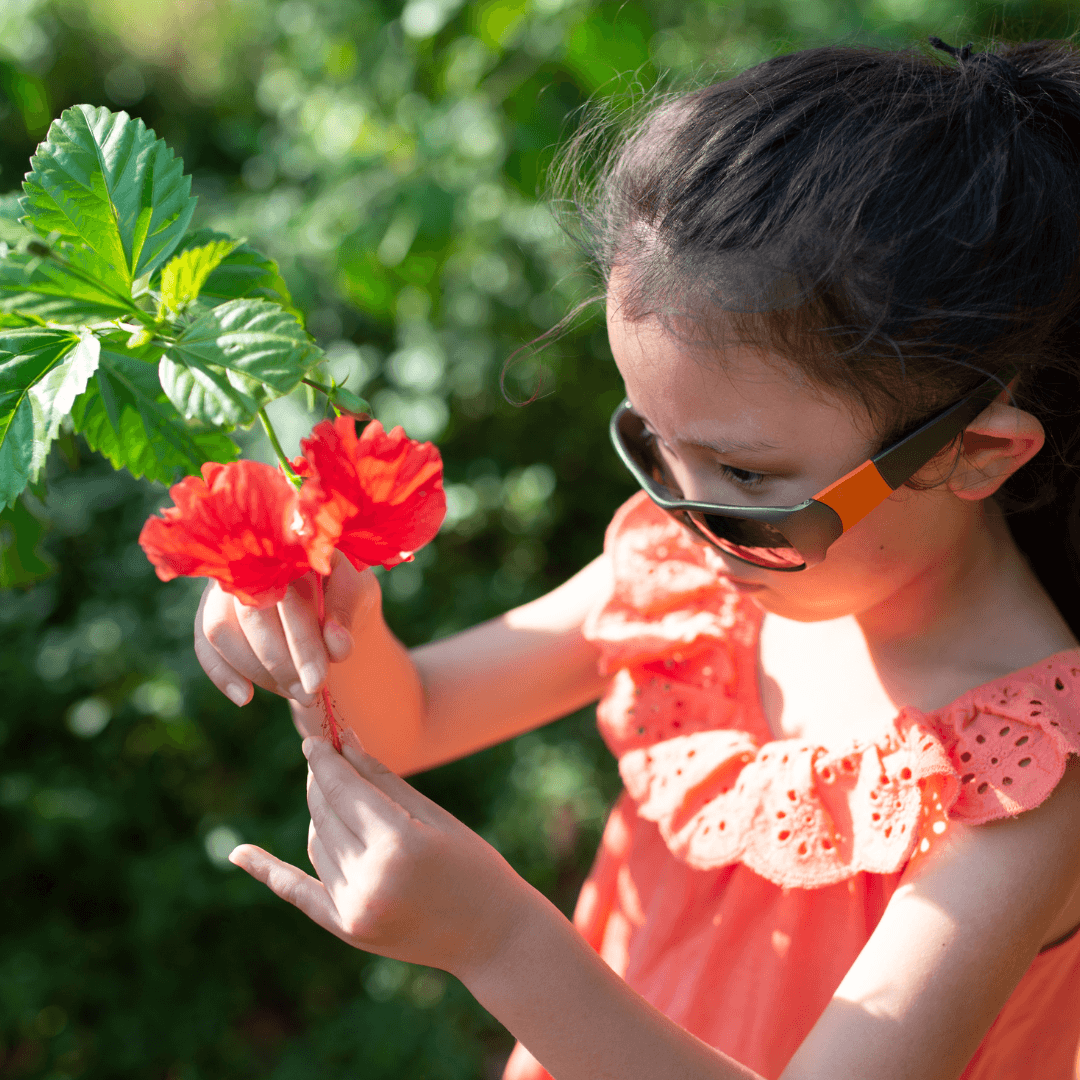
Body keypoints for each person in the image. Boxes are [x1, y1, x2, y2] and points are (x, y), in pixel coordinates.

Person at [195, 37, 1080, 1080]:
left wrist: (501, 942)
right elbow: (414, 717)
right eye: (650, 439)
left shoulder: (1031, 782)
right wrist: (327, 619)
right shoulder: (691, 572)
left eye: (747, 477)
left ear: (974, 452)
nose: (685, 510)